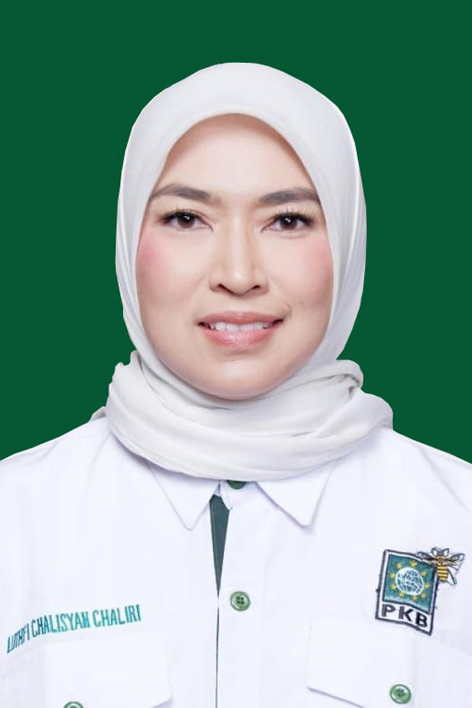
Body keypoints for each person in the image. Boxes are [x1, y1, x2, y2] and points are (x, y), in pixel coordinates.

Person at [0, 61, 471, 707]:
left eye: (288, 221)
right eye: (186, 218)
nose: (239, 273)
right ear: (128, 238)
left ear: (347, 240)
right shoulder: (15, 519)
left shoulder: (456, 517)